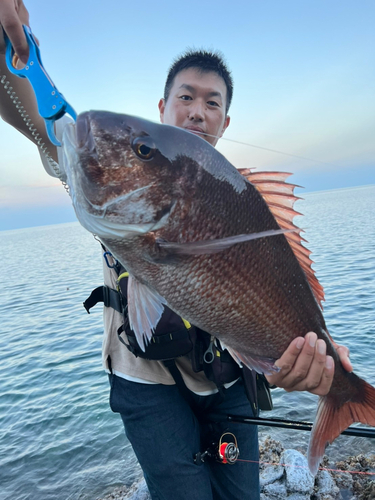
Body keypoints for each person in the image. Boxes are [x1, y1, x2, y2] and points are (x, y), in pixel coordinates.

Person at [0, 3, 353, 499]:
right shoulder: (118, 160)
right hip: (147, 388)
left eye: (212, 102)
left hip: (229, 382)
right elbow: (38, 112)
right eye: (185, 96)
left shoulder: (238, 198)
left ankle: (347, 397)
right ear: (162, 108)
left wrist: (313, 359)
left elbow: (282, 291)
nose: (196, 111)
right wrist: (8, 49)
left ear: (225, 121)